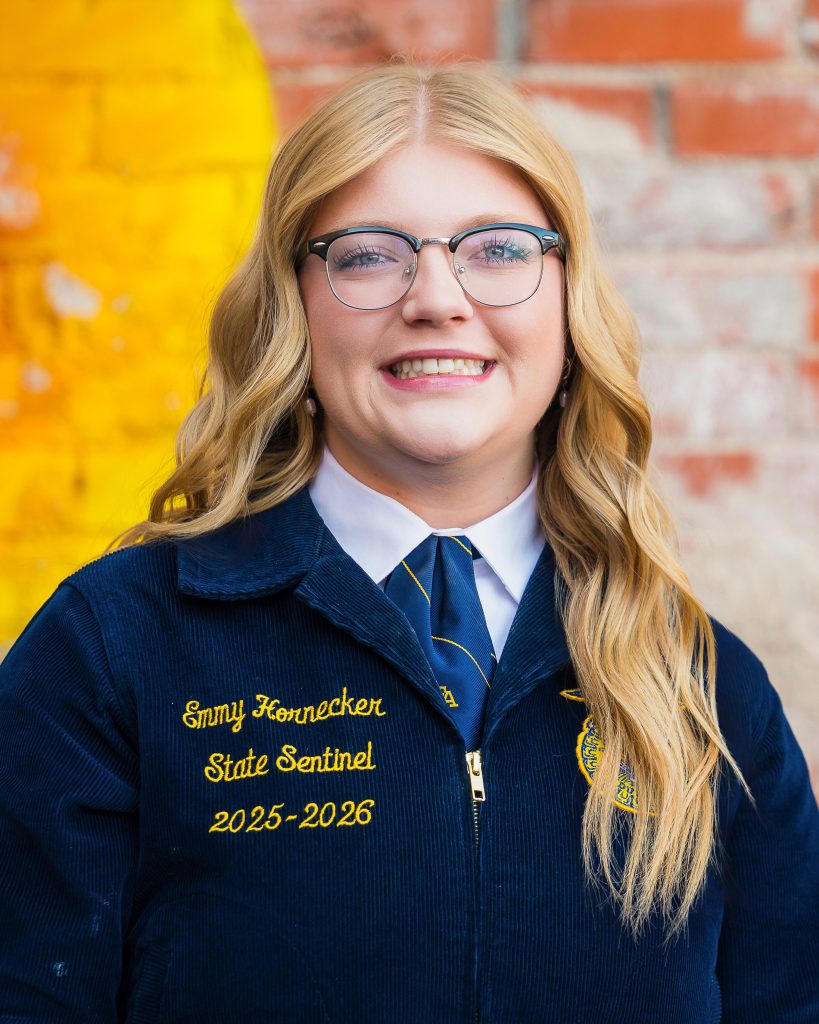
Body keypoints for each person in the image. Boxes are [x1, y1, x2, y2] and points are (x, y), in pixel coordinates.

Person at [1, 57, 817, 1024]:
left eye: (499, 249)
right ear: (292, 309)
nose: (435, 297)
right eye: (366, 254)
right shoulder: (112, 651)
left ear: (568, 303)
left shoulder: (701, 687)